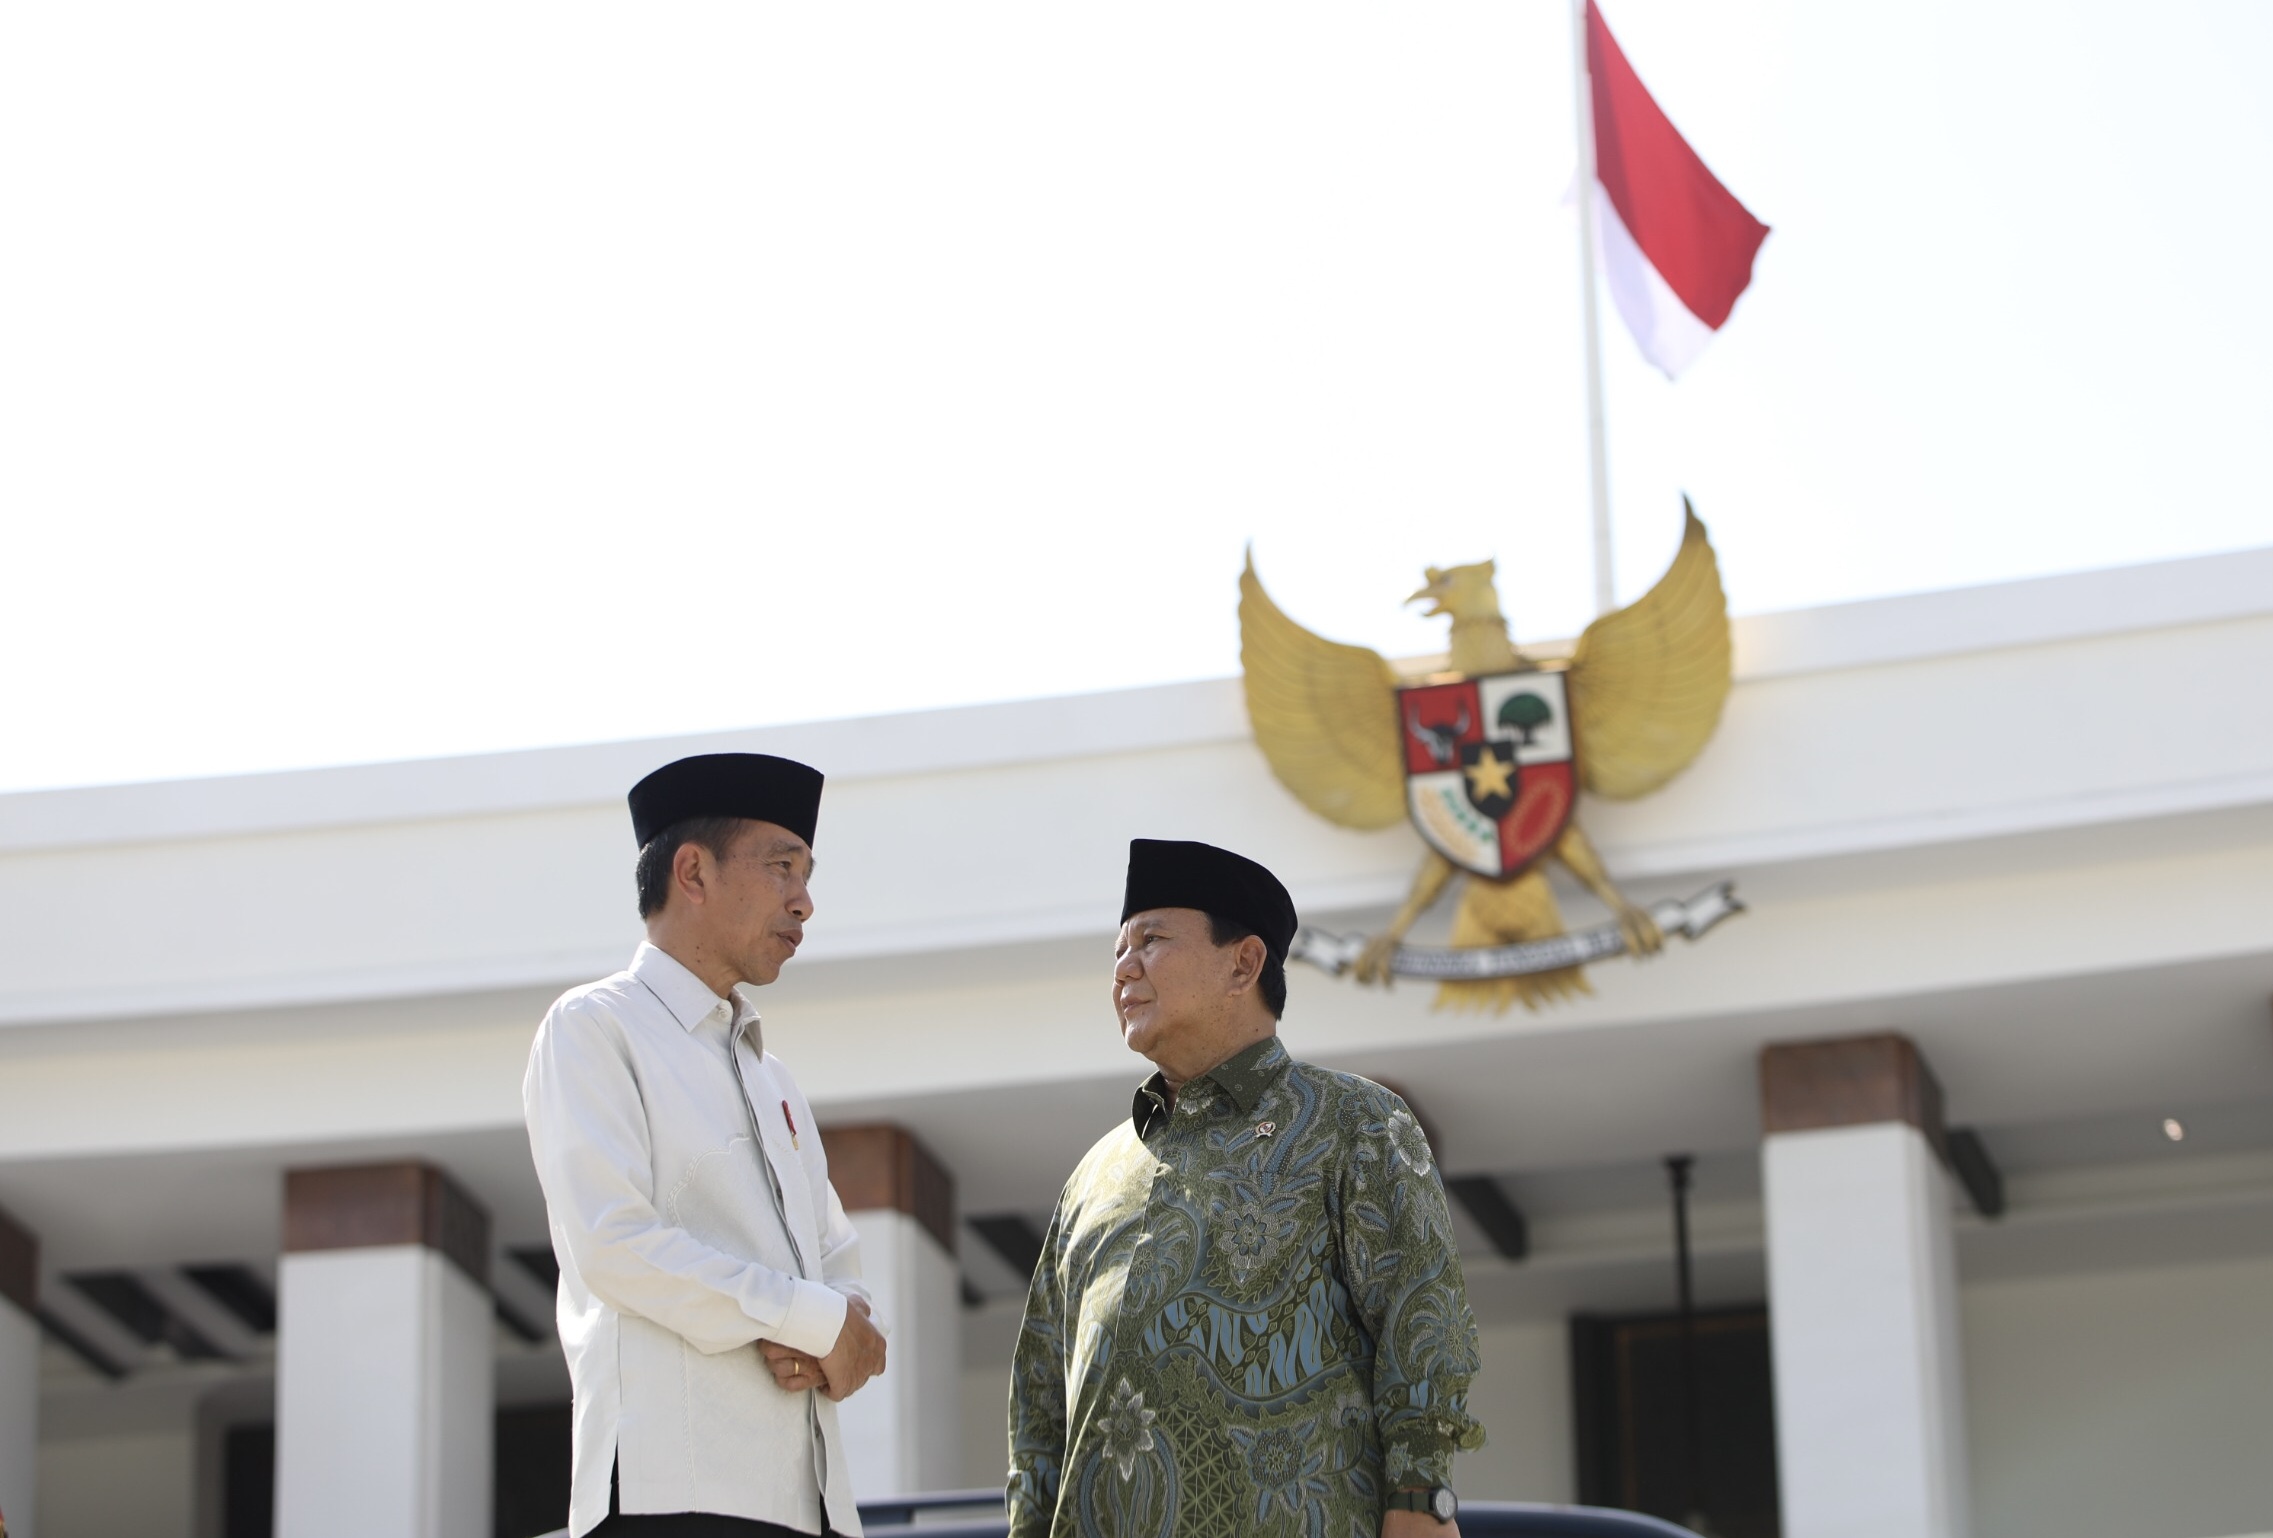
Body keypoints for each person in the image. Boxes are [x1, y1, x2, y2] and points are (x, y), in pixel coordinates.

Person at [1008, 839, 1484, 1537]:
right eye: (1116, 951)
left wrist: (1420, 1505)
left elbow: (1422, 1322)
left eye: (1151, 940)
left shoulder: (1352, 1123)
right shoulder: (1095, 1175)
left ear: (1243, 962)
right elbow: (1039, 1403)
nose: (1123, 969)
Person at [525, 752, 888, 1538]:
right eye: (782, 867)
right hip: (674, 1495)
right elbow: (612, 1245)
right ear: (692, 871)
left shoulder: (775, 1078)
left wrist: (838, 1327)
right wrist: (805, 1318)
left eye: (807, 873)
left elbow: (837, 1265)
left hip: (811, 1502)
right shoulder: (594, 1028)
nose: (805, 901)